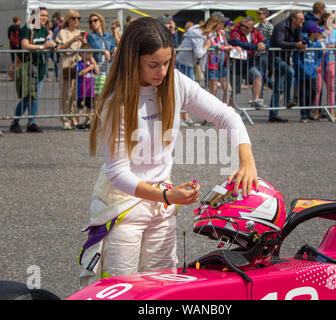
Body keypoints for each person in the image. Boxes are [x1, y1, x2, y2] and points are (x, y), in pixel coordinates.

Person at [79, 17, 259, 287]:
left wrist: (247, 161)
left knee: (162, 288)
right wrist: (166, 195)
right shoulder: (115, 103)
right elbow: (118, 173)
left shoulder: (175, 82)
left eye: (167, 62)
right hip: (121, 208)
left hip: (162, 206)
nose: (162, 72)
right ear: (133, 60)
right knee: (121, 288)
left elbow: (226, 115)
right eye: (153, 65)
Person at [9, 7, 56, 133]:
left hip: (40, 68)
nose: (45, 18)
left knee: (36, 97)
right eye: (42, 15)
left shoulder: (44, 30)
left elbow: (50, 43)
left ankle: (31, 123)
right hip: (28, 67)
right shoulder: (27, 29)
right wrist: (43, 46)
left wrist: (53, 45)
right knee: (27, 96)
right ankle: (15, 122)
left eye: (46, 15)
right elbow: (24, 45)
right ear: (35, 16)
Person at [175, 15, 214, 126]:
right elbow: (199, 53)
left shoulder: (197, 30)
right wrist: (206, 46)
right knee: (187, 91)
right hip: (186, 64)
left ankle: (184, 117)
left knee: (187, 91)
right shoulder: (198, 33)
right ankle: (182, 118)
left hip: (187, 63)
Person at [269, 10, 307, 123]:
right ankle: (287, 99)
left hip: (285, 57)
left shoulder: (298, 27)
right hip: (275, 57)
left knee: (277, 87)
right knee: (290, 71)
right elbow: (279, 42)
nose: (303, 21)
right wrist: (296, 45)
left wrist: (302, 44)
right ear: (294, 19)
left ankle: (273, 115)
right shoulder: (280, 27)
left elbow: (299, 39)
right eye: (301, 19)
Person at [313, 12, 336, 121]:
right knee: (318, 87)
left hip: (331, 59)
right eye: (330, 18)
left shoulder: (335, 32)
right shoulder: (319, 30)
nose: (332, 21)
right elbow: (312, 41)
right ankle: (316, 111)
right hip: (319, 59)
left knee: (331, 87)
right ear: (324, 19)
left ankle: (331, 111)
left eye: (333, 19)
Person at [55, 10, 86, 130]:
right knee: (65, 92)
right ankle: (65, 118)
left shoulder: (80, 32)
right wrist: (72, 41)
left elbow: (86, 49)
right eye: (74, 18)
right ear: (68, 20)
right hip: (66, 63)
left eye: (78, 18)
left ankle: (73, 117)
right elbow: (58, 48)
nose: (76, 20)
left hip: (77, 63)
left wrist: (84, 43)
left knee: (75, 93)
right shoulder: (62, 32)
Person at [229, 16, 267, 109]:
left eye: (246, 27)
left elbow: (266, 41)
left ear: (252, 27)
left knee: (257, 76)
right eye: (242, 25)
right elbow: (237, 42)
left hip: (249, 64)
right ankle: (229, 111)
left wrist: (264, 45)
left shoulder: (256, 32)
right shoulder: (235, 31)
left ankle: (256, 100)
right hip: (235, 66)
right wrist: (256, 47)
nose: (243, 28)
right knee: (235, 91)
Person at [292, 23, 324, 122]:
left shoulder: (317, 43)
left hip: (312, 72)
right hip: (302, 73)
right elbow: (296, 57)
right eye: (318, 32)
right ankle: (303, 114)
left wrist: (316, 65)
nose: (320, 34)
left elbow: (320, 55)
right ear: (313, 33)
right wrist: (301, 67)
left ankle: (309, 111)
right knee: (303, 94)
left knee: (313, 92)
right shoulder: (303, 42)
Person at [86, 12, 116, 109]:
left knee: (109, 95)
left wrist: (114, 49)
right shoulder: (91, 36)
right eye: (91, 22)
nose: (93, 23)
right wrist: (104, 51)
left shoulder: (108, 36)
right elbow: (96, 47)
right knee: (98, 96)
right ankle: (96, 119)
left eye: (95, 20)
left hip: (109, 67)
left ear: (101, 21)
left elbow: (112, 47)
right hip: (98, 69)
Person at [206, 12, 234, 104]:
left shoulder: (222, 32)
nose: (223, 24)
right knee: (213, 89)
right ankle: (210, 113)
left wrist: (229, 47)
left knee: (228, 89)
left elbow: (225, 44)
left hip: (223, 62)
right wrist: (224, 48)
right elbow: (210, 45)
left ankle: (222, 109)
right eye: (221, 22)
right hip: (213, 63)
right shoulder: (208, 32)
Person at [75, 43, 98, 129]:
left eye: (90, 54)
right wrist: (89, 68)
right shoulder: (79, 64)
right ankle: (78, 123)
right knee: (80, 108)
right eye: (87, 54)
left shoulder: (91, 64)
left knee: (89, 108)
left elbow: (97, 71)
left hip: (90, 91)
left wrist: (94, 64)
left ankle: (87, 122)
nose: (89, 56)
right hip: (82, 90)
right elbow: (80, 73)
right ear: (81, 54)